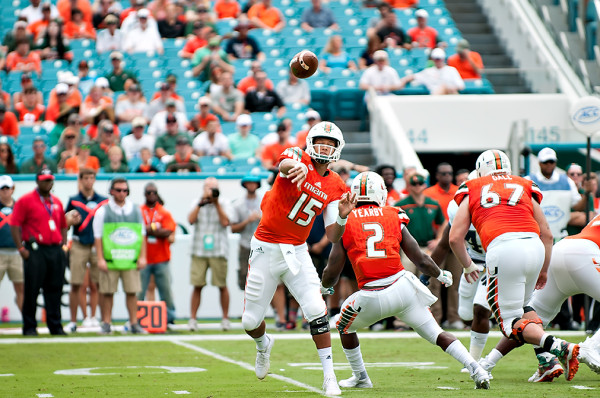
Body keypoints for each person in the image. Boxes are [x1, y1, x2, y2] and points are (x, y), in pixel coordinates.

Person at [322, 171, 490, 390]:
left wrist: (325, 287)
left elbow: (332, 269)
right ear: (381, 192)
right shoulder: (393, 214)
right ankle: (476, 368)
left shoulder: (346, 222)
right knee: (437, 334)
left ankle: (361, 376)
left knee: (344, 326)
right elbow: (419, 258)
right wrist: (439, 274)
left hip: (371, 295)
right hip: (403, 289)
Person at [242, 121, 355, 395]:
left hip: (296, 249)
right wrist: (298, 167)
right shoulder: (296, 155)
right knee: (249, 322)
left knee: (317, 310)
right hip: (265, 246)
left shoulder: (336, 184)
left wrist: (341, 215)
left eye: (330, 144)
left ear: (337, 149)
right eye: (320, 142)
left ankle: (330, 376)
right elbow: (284, 165)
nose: (324, 148)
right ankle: (263, 345)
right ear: (310, 143)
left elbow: (333, 234)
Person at [449, 149, 581, 382]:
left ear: (481, 169)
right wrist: (543, 269)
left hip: (504, 249)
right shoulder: (525, 184)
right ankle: (546, 360)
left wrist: (467, 266)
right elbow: (547, 234)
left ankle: (560, 346)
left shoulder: (473, 186)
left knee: (510, 323)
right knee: (523, 309)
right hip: (535, 248)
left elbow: (453, 238)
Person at [480, 212, 600, 381]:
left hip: (562, 250)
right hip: (584, 254)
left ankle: (486, 364)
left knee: (531, 320)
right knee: (530, 320)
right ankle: (590, 348)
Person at [429, 171, 492, 364]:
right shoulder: (457, 207)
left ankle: (476, 361)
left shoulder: (499, 209)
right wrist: (427, 274)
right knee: (466, 313)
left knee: (483, 309)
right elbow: (445, 243)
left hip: (496, 263)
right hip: (472, 262)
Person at [10, 168, 68, 336]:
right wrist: (21, 248)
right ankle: (29, 326)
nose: (47, 183)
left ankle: (55, 326)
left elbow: (63, 225)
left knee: (55, 289)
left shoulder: (56, 202)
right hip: (35, 249)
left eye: (50, 180)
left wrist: (63, 245)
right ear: (37, 181)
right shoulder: (26, 201)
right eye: (44, 180)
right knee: (32, 289)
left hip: (54, 249)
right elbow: (14, 225)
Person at [93, 177, 147, 335]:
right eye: (118, 190)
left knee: (132, 292)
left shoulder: (136, 210)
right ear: (111, 191)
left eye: (125, 190)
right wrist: (100, 258)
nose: (122, 193)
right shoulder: (103, 211)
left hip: (130, 259)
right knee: (108, 292)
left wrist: (143, 257)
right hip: (111, 259)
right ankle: (106, 323)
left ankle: (134, 323)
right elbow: (98, 237)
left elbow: (142, 235)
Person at [64, 168, 108, 332]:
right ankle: (75, 320)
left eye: (92, 178)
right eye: (86, 178)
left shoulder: (103, 201)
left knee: (98, 284)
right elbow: (65, 223)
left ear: (95, 180)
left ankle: (97, 318)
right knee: (77, 283)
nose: (89, 181)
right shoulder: (74, 200)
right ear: (81, 180)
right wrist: (70, 221)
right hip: (79, 243)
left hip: (97, 245)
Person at [187, 177, 231, 332]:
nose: (211, 191)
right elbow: (190, 220)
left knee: (222, 285)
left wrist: (216, 203)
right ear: (203, 189)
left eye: (214, 188)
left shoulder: (224, 202)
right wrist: (201, 203)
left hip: (218, 250)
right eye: (209, 188)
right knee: (197, 285)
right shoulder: (196, 202)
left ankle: (225, 319)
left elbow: (226, 222)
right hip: (199, 250)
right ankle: (193, 319)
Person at [527, 147, 587, 240]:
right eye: (545, 162)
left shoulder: (567, 181)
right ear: (539, 163)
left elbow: (577, 206)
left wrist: (587, 193)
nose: (549, 165)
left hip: (560, 236)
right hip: (536, 237)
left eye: (551, 162)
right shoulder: (528, 181)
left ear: (555, 162)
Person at [139, 183, 177, 325]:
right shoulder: (139, 211)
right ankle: (137, 317)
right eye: (149, 192)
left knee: (165, 290)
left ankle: (170, 318)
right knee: (140, 290)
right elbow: (138, 230)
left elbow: (168, 231)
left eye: (154, 192)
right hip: (144, 257)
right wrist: (156, 228)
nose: (151, 195)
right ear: (145, 194)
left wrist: (149, 229)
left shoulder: (164, 212)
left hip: (162, 258)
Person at [230, 174, 263, 290]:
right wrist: (247, 221)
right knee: (245, 277)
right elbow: (233, 228)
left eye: (253, 183)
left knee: (263, 278)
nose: (251, 186)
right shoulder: (238, 204)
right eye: (249, 183)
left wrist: (260, 218)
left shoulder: (264, 202)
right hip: (245, 245)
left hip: (262, 245)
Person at [0, 176, 23, 313]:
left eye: (7, 188)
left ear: (12, 189)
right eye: (2, 189)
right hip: (0, 252)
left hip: (16, 252)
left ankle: (27, 322)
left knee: (21, 287)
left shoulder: (20, 207)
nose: (4, 191)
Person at [400, 48, 465, 95]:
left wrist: (448, 88)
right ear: (433, 59)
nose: (438, 61)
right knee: (443, 88)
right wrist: (403, 81)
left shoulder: (451, 70)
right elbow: (414, 76)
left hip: (450, 96)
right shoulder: (428, 72)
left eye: (439, 59)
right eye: (436, 59)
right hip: (435, 97)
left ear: (443, 59)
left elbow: (461, 86)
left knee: (446, 88)